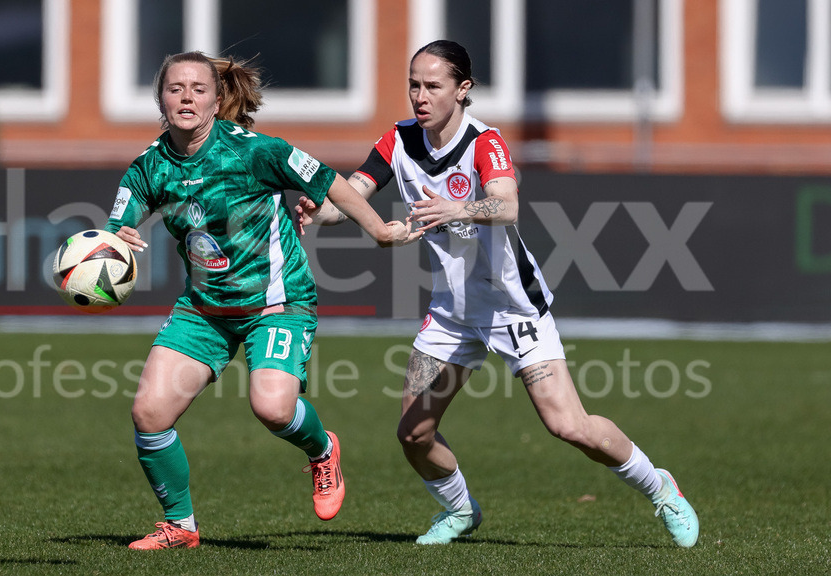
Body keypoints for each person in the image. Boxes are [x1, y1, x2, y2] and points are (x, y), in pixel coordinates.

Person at [297, 40, 699, 548]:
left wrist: (457, 210)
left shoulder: (485, 143)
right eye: (413, 85)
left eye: (433, 86)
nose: (420, 97)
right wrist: (323, 213)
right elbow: (355, 190)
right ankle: (460, 511)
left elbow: (506, 205)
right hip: (452, 313)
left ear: (463, 90)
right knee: (413, 434)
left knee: (568, 426)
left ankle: (660, 488)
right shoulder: (397, 141)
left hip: (514, 308)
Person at [103, 51, 419, 550]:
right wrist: (115, 240)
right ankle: (180, 527)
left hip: (278, 303)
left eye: (198, 89)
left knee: (272, 409)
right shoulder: (150, 165)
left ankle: (322, 450)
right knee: (149, 413)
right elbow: (120, 221)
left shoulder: (255, 152)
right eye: (175, 89)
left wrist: (379, 230)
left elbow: (330, 181)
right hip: (205, 312)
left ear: (217, 98)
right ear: (160, 100)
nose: (186, 97)